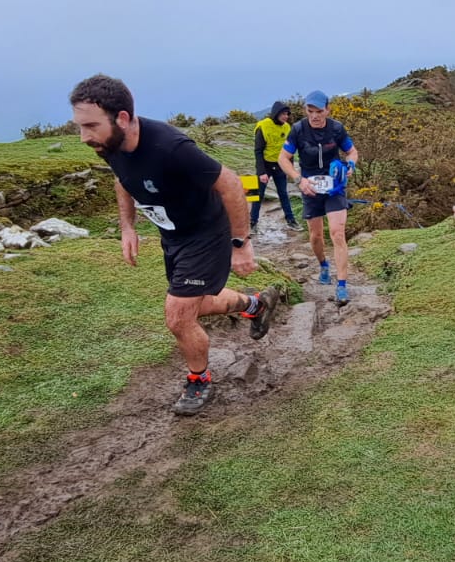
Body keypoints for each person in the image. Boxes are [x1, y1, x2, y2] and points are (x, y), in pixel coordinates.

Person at [70, 74, 280, 415]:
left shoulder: (170, 148)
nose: (84, 136)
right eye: (80, 126)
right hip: (173, 236)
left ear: (122, 118)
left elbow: (229, 184)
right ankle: (254, 305)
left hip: (206, 233)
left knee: (178, 317)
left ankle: (199, 380)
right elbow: (122, 180)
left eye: (90, 125)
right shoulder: (109, 144)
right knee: (196, 305)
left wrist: (240, 244)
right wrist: (127, 226)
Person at [278, 90, 359, 305]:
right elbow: (283, 158)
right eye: (310, 111)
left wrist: (350, 165)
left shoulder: (336, 128)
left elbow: (352, 152)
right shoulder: (298, 130)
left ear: (327, 110)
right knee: (316, 236)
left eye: (319, 111)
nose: (314, 116)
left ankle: (341, 285)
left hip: (334, 187)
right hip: (310, 188)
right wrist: (298, 179)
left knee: (337, 233)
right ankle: (323, 264)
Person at [252, 101, 302, 233]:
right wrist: (261, 172)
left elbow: (289, 151)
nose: (286, 116)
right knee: (258, 194)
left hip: (280, 164)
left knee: (283, 194)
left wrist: (290, 169)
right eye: (284, 114)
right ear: (276, 113)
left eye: (287, 114)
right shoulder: (263, 126)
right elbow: (258, 151)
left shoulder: (287, 127)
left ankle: (291, 221)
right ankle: (252, 222)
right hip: (265, 164)